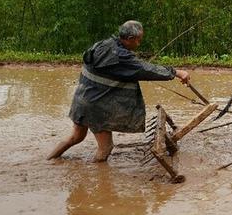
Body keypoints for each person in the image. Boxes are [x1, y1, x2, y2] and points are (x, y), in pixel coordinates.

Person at [48, 20, 190, 162]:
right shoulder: (120, 57)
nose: (139, 44)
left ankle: (50, 160)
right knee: (106, 148)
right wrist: (176, 72)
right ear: (129, 39)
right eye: (138, 41)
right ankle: (99, 178)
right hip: (94, 107)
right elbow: (146, 69)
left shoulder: (104, 44)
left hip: (82, 99)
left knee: (75, 137)